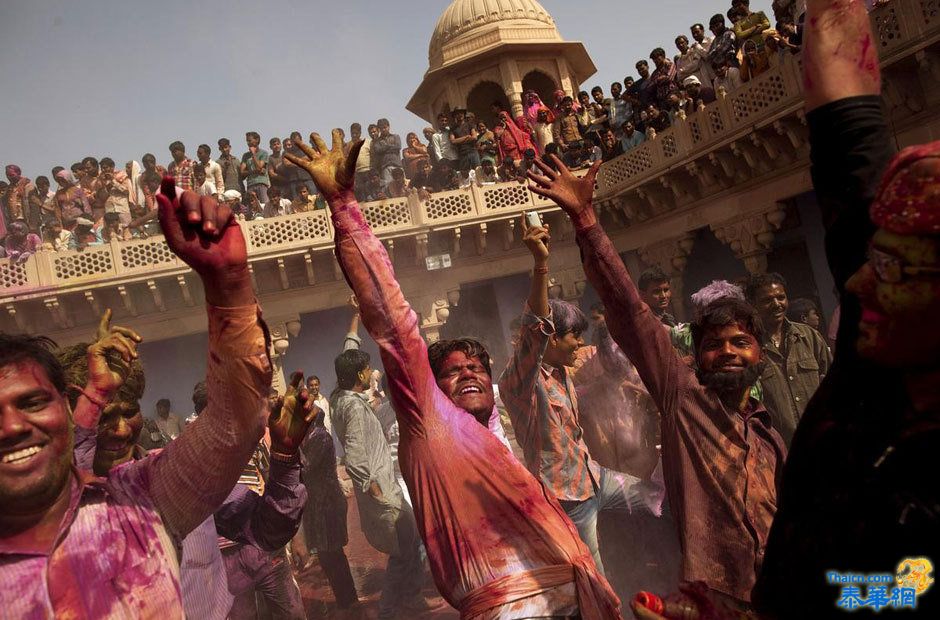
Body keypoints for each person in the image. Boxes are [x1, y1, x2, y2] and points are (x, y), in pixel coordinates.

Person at [284, 130, 622, 619]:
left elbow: (532, 340)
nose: (470, 374)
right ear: (428, 388)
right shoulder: (433, 427)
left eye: (477, 367)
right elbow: (392, 320)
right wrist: (343, 206)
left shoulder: (497, 438)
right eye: (453, 370)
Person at [0, 175, 273, 616]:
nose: (12, 427)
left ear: (61, 409)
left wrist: (229, 284)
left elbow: (235, 424)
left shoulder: (136, 500)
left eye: (32, 402)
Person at [527, 155, 786, 609]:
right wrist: (586, 220)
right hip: (715, 596)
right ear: (695, 355)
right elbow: (631, 314)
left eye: (740, 342)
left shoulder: (768, 435)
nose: (728, 351)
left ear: (759, 353)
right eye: (714, 343)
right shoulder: (686, 398)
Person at [755, 1, 940, 614]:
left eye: (892, 270)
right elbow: (848, 130)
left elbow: (902, 593)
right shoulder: (887, 330)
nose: (857, 284)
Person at [498, 214, 657, 577]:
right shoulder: (522, 382)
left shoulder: (562, 374)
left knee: (655, 497)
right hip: (568, 497)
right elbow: (533, 327)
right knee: (592, 573)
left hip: (595, 479)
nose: (581, 345)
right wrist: (540, 264)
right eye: (574, 337)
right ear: (551, 338)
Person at [327, 319, 435, 619]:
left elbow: (347, 353)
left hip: (385, 484)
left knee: (410, 542)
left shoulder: (340, 396)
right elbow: (356, 454)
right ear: (360, 375)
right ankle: (389, 608)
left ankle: (412, 597)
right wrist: (375, 491)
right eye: (366, 369)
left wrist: (354, 319)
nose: (370, 372)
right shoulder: (353, 409)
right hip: (381, 489)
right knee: (403, 549)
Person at [746, 273, 831, 445]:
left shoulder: (809, 336)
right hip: (781, 448)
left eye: (781, 297)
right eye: (767, 300)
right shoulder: (748, 347)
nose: (777, 304)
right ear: (753, 305)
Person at [298, 403, 361, 617]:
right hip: (318, 505)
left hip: (327, 504)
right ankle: (346, 600)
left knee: (332, 555)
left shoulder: (320, 437)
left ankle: (348, 602)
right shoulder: (309, 438)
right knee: (327, 556)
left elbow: (305, 469)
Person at [371, 118, 403, 188]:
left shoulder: (396, 136)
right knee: (388, 187)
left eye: (385, 127)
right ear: (379, 129)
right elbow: (378, 150)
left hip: (397, 165)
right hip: (386, 167)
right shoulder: (377, 141)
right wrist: (390, 147)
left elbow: (398, 147)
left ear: (389, 127)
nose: (384, 129)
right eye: (381, 128)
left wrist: (385, 147)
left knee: (401, 187)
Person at [241, 131, 270, 205]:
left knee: (265, 205)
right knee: (252, 206)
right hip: (250, 184)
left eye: (250, 140)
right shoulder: (245, 156)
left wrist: (253, 154)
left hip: (261, 183)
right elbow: (242, 171)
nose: (248, 143)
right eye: (247, 141)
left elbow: (259, 167)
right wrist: (254, 171)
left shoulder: (263, 153)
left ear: (257, 140)